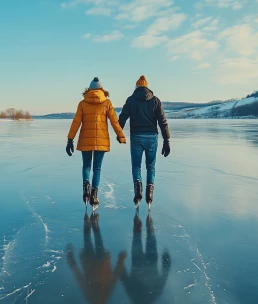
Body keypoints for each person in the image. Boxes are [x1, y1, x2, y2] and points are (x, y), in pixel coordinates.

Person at [66, 77, 126, 210]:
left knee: (86, 166)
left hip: (85, 140)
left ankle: (86, 186)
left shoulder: (82, 103)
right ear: (101, 89)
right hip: (101, 140)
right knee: (97, 168)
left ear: (89, 89)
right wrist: (121, 136)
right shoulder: (107, 102)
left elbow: (76, 122)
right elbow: (114, 122)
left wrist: (70, 139)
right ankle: (94, 195)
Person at [118, 75, 170, 208]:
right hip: (152, 137)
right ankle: (149, 194)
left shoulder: (131, 100)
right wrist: (166, 140)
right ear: (147, 87)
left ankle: (138, 191)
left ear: (136, 87)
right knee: (150, 167)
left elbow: (123, 117)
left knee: (136, 166)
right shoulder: (155, 100)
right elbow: (162, 121)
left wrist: (119, 133)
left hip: (136, 137)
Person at [66, 213, 127, 304]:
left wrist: (121, 259)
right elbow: (80, 278)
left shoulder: (103, 295)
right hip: (92, 263)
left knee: (98, 243)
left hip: (99, 263)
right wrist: (71, 261)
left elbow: (114, 276)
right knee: (90, 242)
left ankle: (93, 225)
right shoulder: (95, 296)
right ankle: (90, 225)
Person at [119, 213, 171, 303]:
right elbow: (124, 279)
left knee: (147, 235)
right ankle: (144, 224)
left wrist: (166, 264)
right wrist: (121, 262)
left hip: (144, 262)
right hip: (141, 262)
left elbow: (124, 279)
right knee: (139, 235)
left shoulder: (151, 296)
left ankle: (147, 224)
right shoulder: (135, 296)